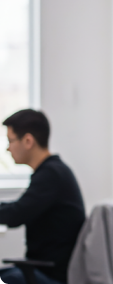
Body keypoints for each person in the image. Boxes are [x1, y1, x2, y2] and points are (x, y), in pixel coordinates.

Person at [0, 109, 85, 284]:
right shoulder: (54, 171)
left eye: (10, 141)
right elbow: (20, 207)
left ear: (28, 141)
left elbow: (16, 214)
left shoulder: (51, 174)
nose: (8, 148)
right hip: (46, 269)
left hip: (52, 274)